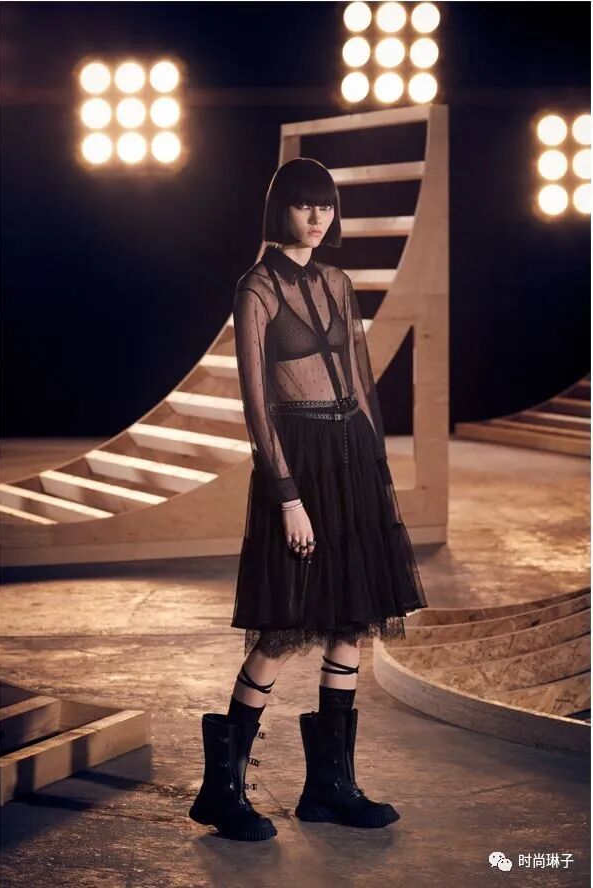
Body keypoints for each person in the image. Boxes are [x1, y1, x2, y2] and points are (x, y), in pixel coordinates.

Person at [189, 157, 428, 841]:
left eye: (325, 205)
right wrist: (287, 496)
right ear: (281, 210)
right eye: (304, 204)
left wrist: (377, 480)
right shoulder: (256, 288)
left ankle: (330, 787)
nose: (317, 216)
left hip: (351, 457)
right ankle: (222, 792)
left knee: (351, 620)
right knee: (282, 627)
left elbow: (360, 383)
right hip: (298, 460)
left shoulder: (336, 281)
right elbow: (257, 405)